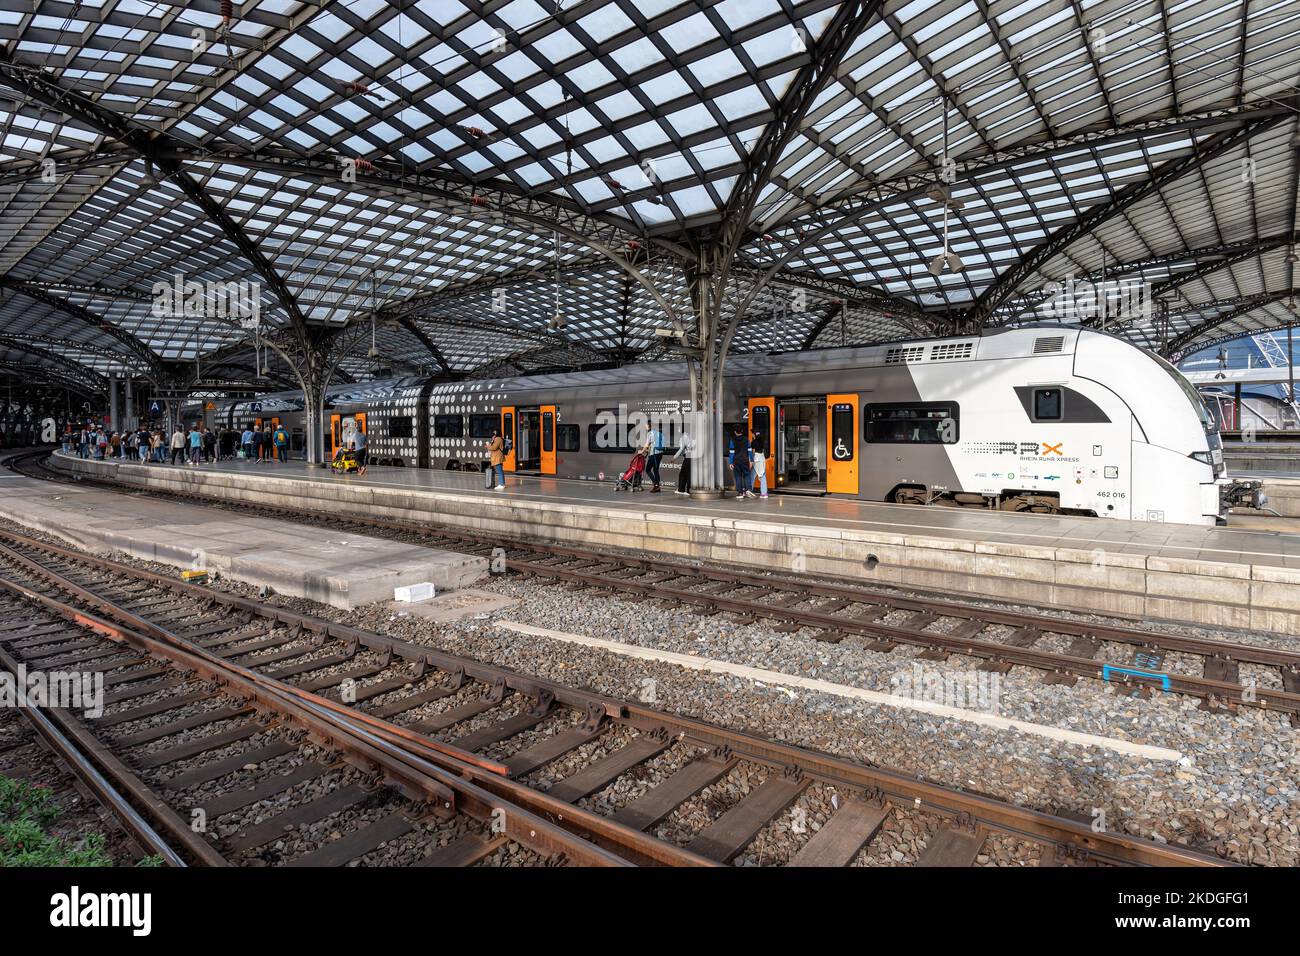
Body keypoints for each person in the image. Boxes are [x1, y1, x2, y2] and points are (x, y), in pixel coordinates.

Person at [728, 425, 753, 499]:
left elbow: (731, 452)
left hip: (736, 461)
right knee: (747, 475)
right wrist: (751, 460)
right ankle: (748, 489)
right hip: (745, 460)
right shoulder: (746, 439)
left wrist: (730, 462)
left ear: (735, 432)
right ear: (742, 431)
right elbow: (750, 451)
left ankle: (740, 493)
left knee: (738, 476)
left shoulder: (732, 440)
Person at [673, 430, 695, 495]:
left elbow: (681, 449)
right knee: (687, 473)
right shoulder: (690, 435)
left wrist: (674, 457)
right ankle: (685, 489)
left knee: (684, 473)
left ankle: (684, 490)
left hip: (688, 456)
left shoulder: (684, 436)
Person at [645, 424, 664, 492]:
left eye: (646, 426)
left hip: (654, 454)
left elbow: (647, 444)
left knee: (647, 469)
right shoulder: (660, 433)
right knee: (656, 470)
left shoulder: (650, 433)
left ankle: (656, 485)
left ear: (649, 427)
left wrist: (642, 451)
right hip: (660, 454)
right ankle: (657, 486)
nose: (645, 427)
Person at [751, 428, 769, 499]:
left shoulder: (754, 442)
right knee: (763, 475)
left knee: (752, 476)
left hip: (756, 459)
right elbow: (763, 451)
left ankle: (750, 490)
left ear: (753, 434)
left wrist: (751, 460)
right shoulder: (763, 441)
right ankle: (764, 493)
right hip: (762, 458)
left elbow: (753, 452)